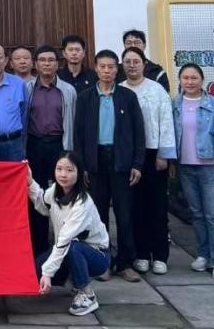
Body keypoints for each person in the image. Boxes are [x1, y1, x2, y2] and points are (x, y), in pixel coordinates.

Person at [73, 49, 145, 282]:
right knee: (98, 214)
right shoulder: (85, 97)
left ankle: (125, 263)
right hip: (95, 161)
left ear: (117, 69)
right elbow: (78, 135)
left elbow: (139, 132)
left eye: (111, 67)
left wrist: (137, 163)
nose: (107, 71)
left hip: (121, 160)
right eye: (102, 66)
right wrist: (81, 166)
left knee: (125, 214)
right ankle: (103, 262)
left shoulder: (127, 97)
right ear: (96, 68)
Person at [28, 151, 111, 318]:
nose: (63, 174)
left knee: (72, 247)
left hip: (98, 256)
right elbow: (43, 206)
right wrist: (29, 182)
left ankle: (87, 293)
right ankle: (72, 276)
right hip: (67, 248)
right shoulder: (54, 190)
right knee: (36, 271)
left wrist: (48, 273)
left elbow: (65, 240)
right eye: (59, 169)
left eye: (69, 170)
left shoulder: (83, 203)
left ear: (79, 173)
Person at [171, 63, 214, 281]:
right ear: (180, 80)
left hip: (209, 165)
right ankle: (203, 254)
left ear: (201, 80)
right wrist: (171, 161)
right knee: (196, 213)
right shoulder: (175, 104)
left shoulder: (212, 104)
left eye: (194, 78)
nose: (189, 82)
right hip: (185, 166)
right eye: (185, 78)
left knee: (213, 215)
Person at [120, 46, 176, 275]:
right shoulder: (119, 90)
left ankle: (160, 255)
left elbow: (166, 121)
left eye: (136, 61)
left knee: (157, 206)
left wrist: (164, 153)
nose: (132, 65)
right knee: (135, 206)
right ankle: (141, 253)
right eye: (127, 61)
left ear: (144, 64)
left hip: (154, 154)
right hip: (130, 156)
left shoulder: (156, 90)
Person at [26, 44, 77, 253]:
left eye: (50, 60)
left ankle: (63, 245)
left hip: (59, 145)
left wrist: (70, 152)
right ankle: (38, 246)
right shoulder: (27, 89)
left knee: (62, 193)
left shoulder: (68, 90)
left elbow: (72, 121)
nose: (46, 64)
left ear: (58, 64)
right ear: (36, 64)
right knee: (35, 193)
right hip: (34, 145)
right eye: (42, 60)